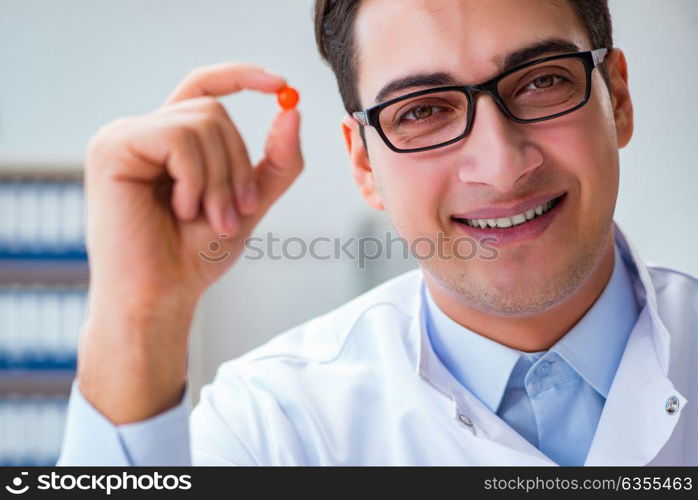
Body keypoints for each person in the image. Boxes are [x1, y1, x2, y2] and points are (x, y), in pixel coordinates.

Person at [57, 0, 696, 466]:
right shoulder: (272, 423)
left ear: (617, 96)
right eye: (422, 110)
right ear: (365, 164)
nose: (501, 166)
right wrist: (141, 318)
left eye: (542, 81)